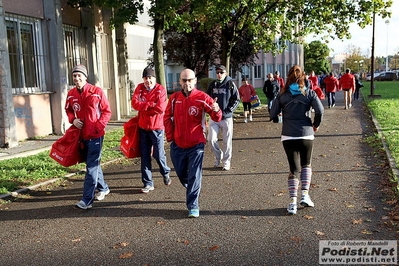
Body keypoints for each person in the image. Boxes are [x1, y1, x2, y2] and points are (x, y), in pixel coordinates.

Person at [164, 68, 222, 218]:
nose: (187, 83)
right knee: (182, 174)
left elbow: (216, 117)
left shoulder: (202, 97)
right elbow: (166, 117)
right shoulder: (174, 98)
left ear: (195, 81)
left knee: (195, 175)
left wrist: (216, 109)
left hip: (196, 144)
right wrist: (171, 137)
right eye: (184, 80)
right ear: (180, 81)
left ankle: (193, 206)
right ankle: (190, 186)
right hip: (177, 144)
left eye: (190, 80)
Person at [270, 65, 324, 215]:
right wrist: (315, 125)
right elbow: (320, 111)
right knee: (306, 164)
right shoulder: (309, 93)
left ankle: (292, 203)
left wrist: (277, 118)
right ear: (303, 78)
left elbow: (273, 114)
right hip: (306, 133)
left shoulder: (282, 95)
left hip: (288, 134)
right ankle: (305, 195)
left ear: (288, 78)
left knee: (293, 169)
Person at [65, 64, 112, 210]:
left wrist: (98, 126)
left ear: (85, 77)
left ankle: (87, 200)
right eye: (74, 76)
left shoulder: (96, 91)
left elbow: (107, 112)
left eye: (80, 75)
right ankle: (103, 188)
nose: (77, 78)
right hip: (81, 135)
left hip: (96, 135)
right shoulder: (71, 93)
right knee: (92, 164)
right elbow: (68, 110)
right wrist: (73, 120)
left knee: (91, 167)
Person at [131, 67, 171, 193]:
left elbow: (160, 108)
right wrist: (149, 105)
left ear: (154, 78)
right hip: (143, 127)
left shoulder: (161, 89)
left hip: (157, 128)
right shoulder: (139, 88)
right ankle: (148, 183)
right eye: (145, 78)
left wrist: (144, 108)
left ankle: (165, 171)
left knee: (158, 155)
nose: (148, 80)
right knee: (145, 156)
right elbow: (134, 103)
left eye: (150, 78)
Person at [206, 65, 240, 171]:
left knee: (227, 141)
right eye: (217, 72)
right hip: (214, 117)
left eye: (221, 72)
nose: (219, 74)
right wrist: (210, 107)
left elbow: (236, 99)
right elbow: (207, 98)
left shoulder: (230, 84)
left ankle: (226, 162)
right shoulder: (212, 84)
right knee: (210, 139)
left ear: (226, 73)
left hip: (226, 118)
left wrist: (228, 111)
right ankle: (218, 156)